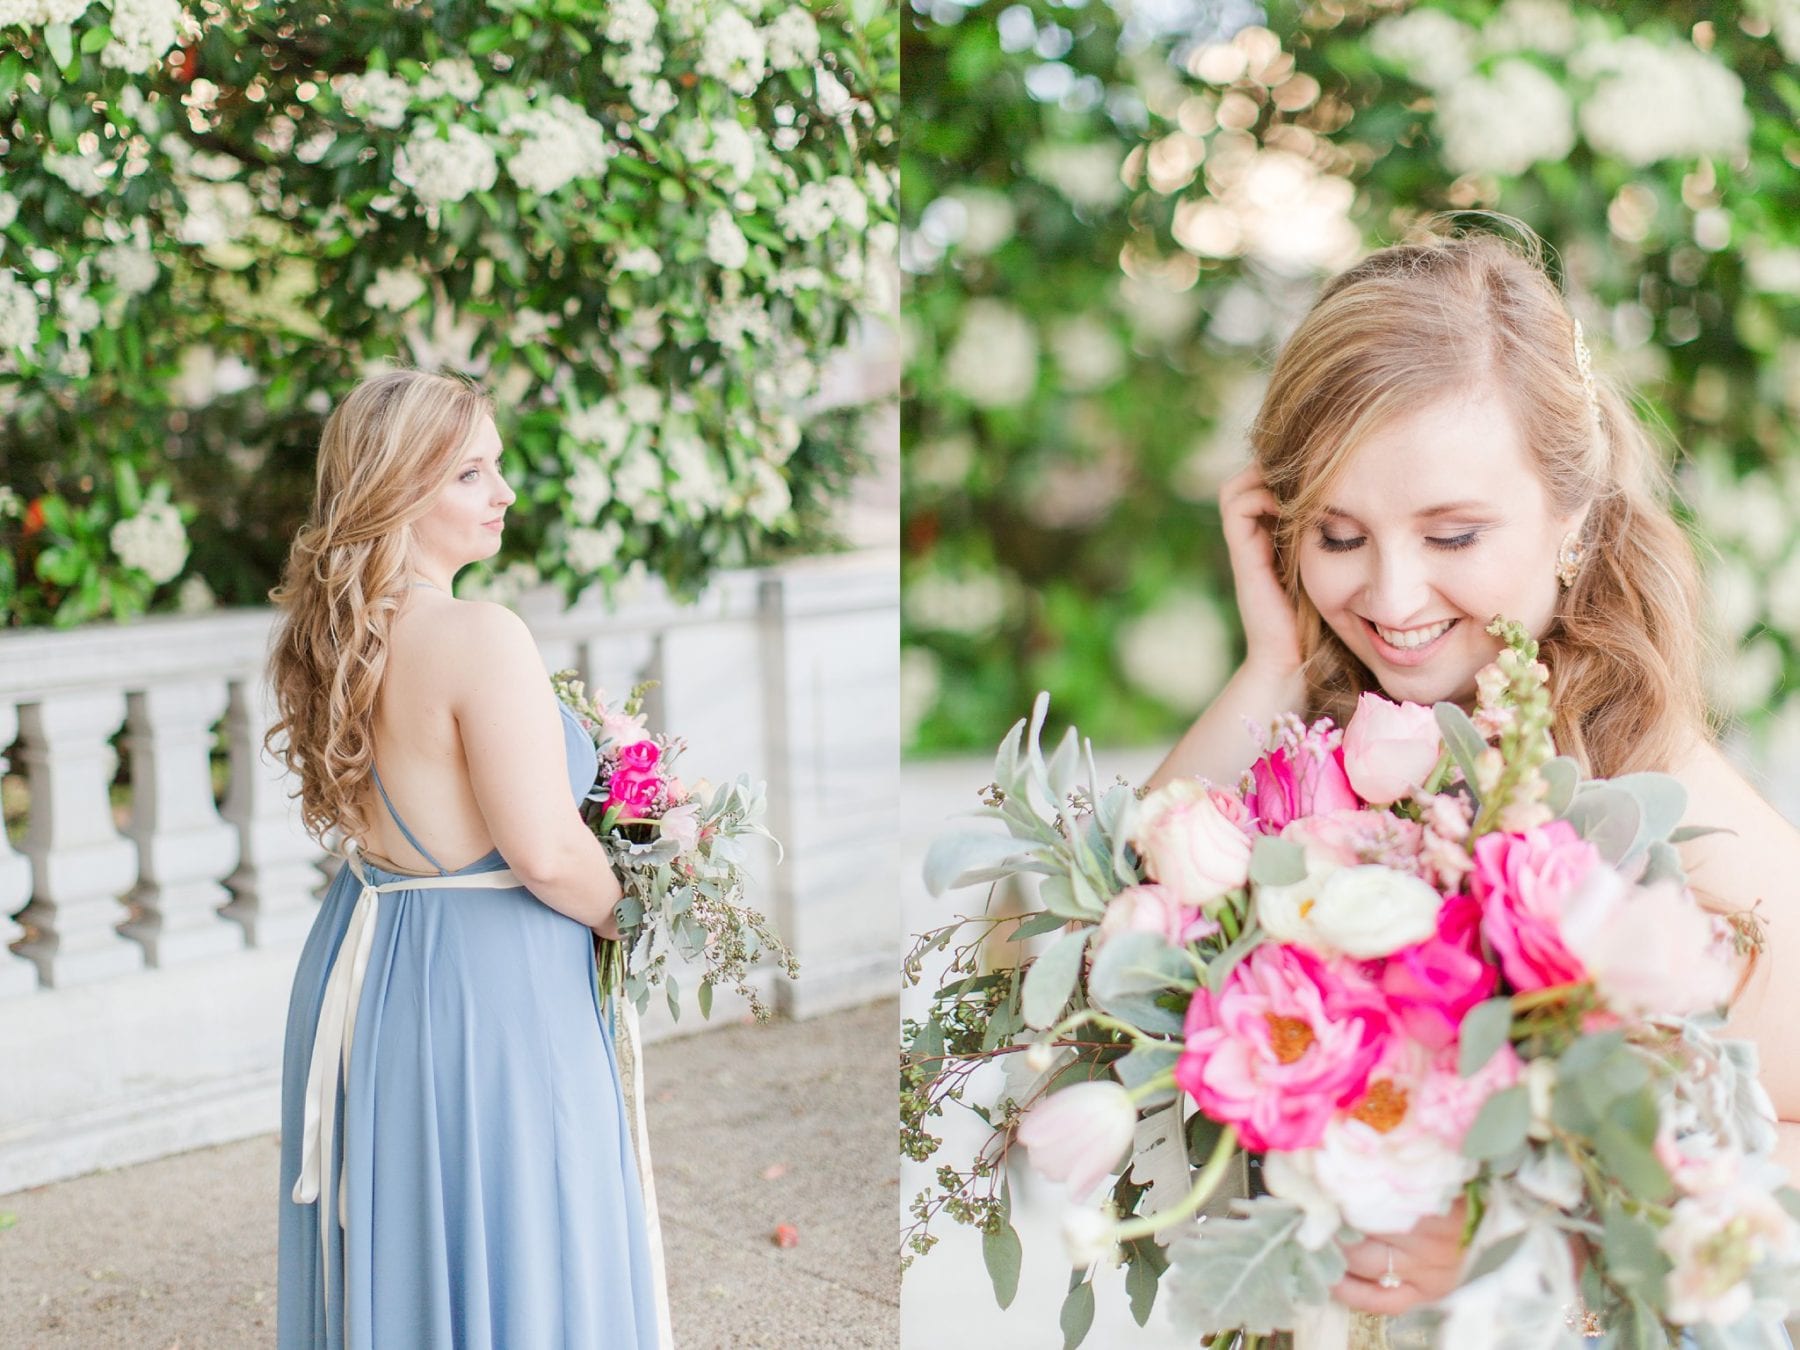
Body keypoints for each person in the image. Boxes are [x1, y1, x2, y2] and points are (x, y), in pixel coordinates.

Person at [1145, 226, 1800, 1341]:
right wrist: (1268, 664)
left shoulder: (1668, 809)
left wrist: (1519, 1218)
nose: (1394, 596)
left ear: (1574, 522)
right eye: (1340, 534)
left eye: (1453, 533)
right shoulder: (1324, 742)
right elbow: (1115, 946)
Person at [267, 369, 664, 1348]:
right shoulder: (479, 635)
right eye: (470, 474)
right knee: (525, 1238)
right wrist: (642, 906)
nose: (504, 493)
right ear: (397, 489)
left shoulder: (330, 638)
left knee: (409, 1237)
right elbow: (545, 852)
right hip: (492, 991)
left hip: (368, 963)